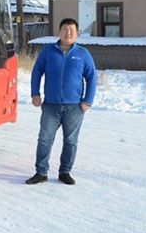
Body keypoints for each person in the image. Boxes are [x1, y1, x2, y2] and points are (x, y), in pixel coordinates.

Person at [26, 18, 96, 186]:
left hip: (75, 107)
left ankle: (65, 172)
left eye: (72, 30)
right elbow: (37, 72)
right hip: (51, 105)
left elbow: (92, 77)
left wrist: (88, 101)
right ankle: (41, 172)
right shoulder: (48, 52)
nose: (68, 33)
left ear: (77, 34)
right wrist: (35, 93)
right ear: (59, 32)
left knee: (70, 141)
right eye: (65, 29)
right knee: (45, 138)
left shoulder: (83, 54)